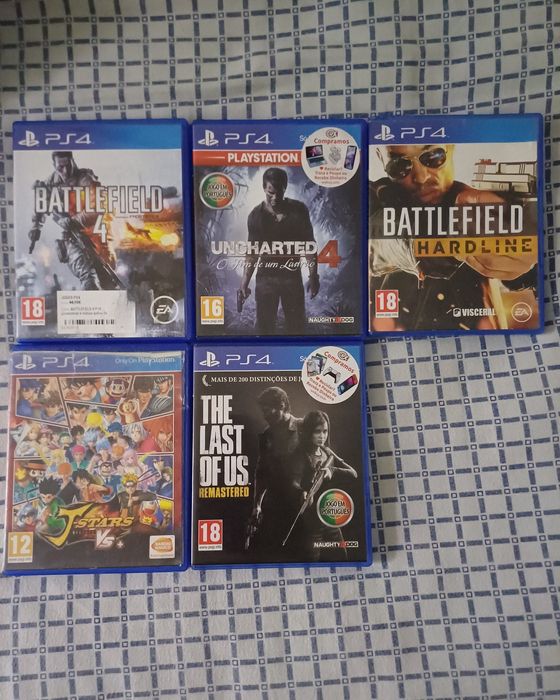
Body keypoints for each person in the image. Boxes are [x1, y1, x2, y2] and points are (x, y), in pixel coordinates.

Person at [369, 143, 538, 330]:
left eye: (432, 157)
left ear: (451, 148)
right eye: (400, 165)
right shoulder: (370, 200)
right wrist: (449, 234)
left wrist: (527, 261)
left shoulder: (477, 204)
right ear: (381, 159)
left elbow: (522, 279)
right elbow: (374, 240)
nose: (421, 177)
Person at [238, 168, 320, 333]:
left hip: (292, 278)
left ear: (285, 188)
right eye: (271, 193)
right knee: (264, 330)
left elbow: (309, 245)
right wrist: (244, 284)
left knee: (296, 329)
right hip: (266, 280)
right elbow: (252, 253)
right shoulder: (256, 215)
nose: (275, 197)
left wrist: (313, 277)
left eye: (279, 192)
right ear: (264, 188)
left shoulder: (299, 210)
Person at [27, 151, 119, 290]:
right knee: (88, 278)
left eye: (68, 166)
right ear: (54, 165)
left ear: (73, 162)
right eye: (60, 167)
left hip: (96, 235)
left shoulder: (86, 180)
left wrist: (73, 221)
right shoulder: (49, 184)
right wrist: (36, 226)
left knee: (108, 277)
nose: (65, 171)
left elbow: (97, 209)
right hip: (73, 237)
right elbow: (41, 206)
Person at [286, 410, 358, 561]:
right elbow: (293, 481)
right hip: (311, 523)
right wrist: (301, 492)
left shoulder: (326, 450)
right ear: (308, 432)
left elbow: (353, 473)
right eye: (317, 432)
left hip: (329, 515)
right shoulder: (300, 455)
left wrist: (332, 470)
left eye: (325, 431)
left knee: (342, 557)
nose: (322, 436)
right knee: (311, 562)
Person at [246, 387, 302, 557]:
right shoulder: (266, 435)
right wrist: (256, 505)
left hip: (304, 503)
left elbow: (324, 457)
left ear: (282, 405)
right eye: (263, 412)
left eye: (267, 411)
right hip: (276, 506)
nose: (265, 416)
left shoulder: (304, 426)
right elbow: (262, 472)